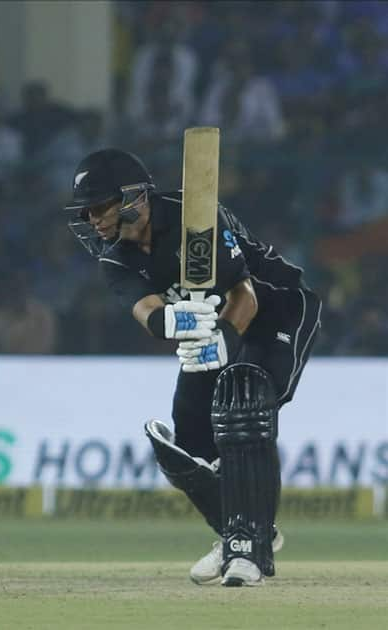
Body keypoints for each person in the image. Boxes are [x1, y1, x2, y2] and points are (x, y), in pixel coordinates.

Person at [64, 149, 321, 586]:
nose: (92, 220)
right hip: (211, 323)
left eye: (99, 206)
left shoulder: (195, 214)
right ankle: (243, 530)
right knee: (189, 444)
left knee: (245, 405)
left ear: (132, 197)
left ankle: (245, 549)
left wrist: (224, 339)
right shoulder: (115, 258)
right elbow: (149, 314)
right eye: (86, 211)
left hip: (278, 310)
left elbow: (246, 297)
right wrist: (176, 321)